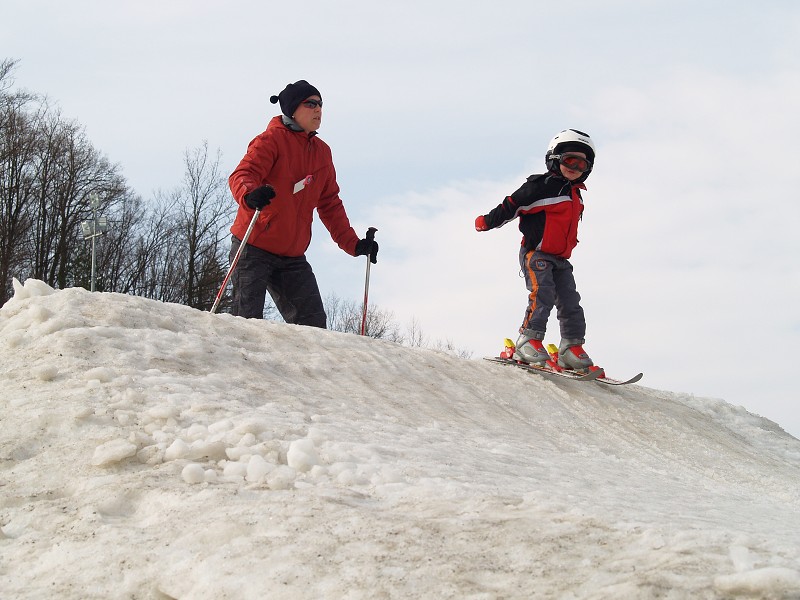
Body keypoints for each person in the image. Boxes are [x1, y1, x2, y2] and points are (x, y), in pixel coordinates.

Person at [227, 80, 378, 327]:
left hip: (292, 256)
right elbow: (242, 174)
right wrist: (249, 194)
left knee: (313, 325)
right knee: (247, 322)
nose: (318, 109)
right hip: (254, 247)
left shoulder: (322, 152)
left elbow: (329, 203)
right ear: (292, 109)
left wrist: (354, 244)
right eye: (311, 104)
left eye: (321, 104)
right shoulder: (270, 140)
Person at [474, 129, 599, 371]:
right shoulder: (542, 186)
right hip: (537, 254)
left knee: (571, 302)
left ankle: (571, 347)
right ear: (554, 159)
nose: (575, 167)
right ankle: (528, 340)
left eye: (582, 164)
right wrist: (487, 221)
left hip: (561, 259)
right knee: (542, 294)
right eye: (569, 160)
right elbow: (513, 204)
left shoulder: (576, 196)